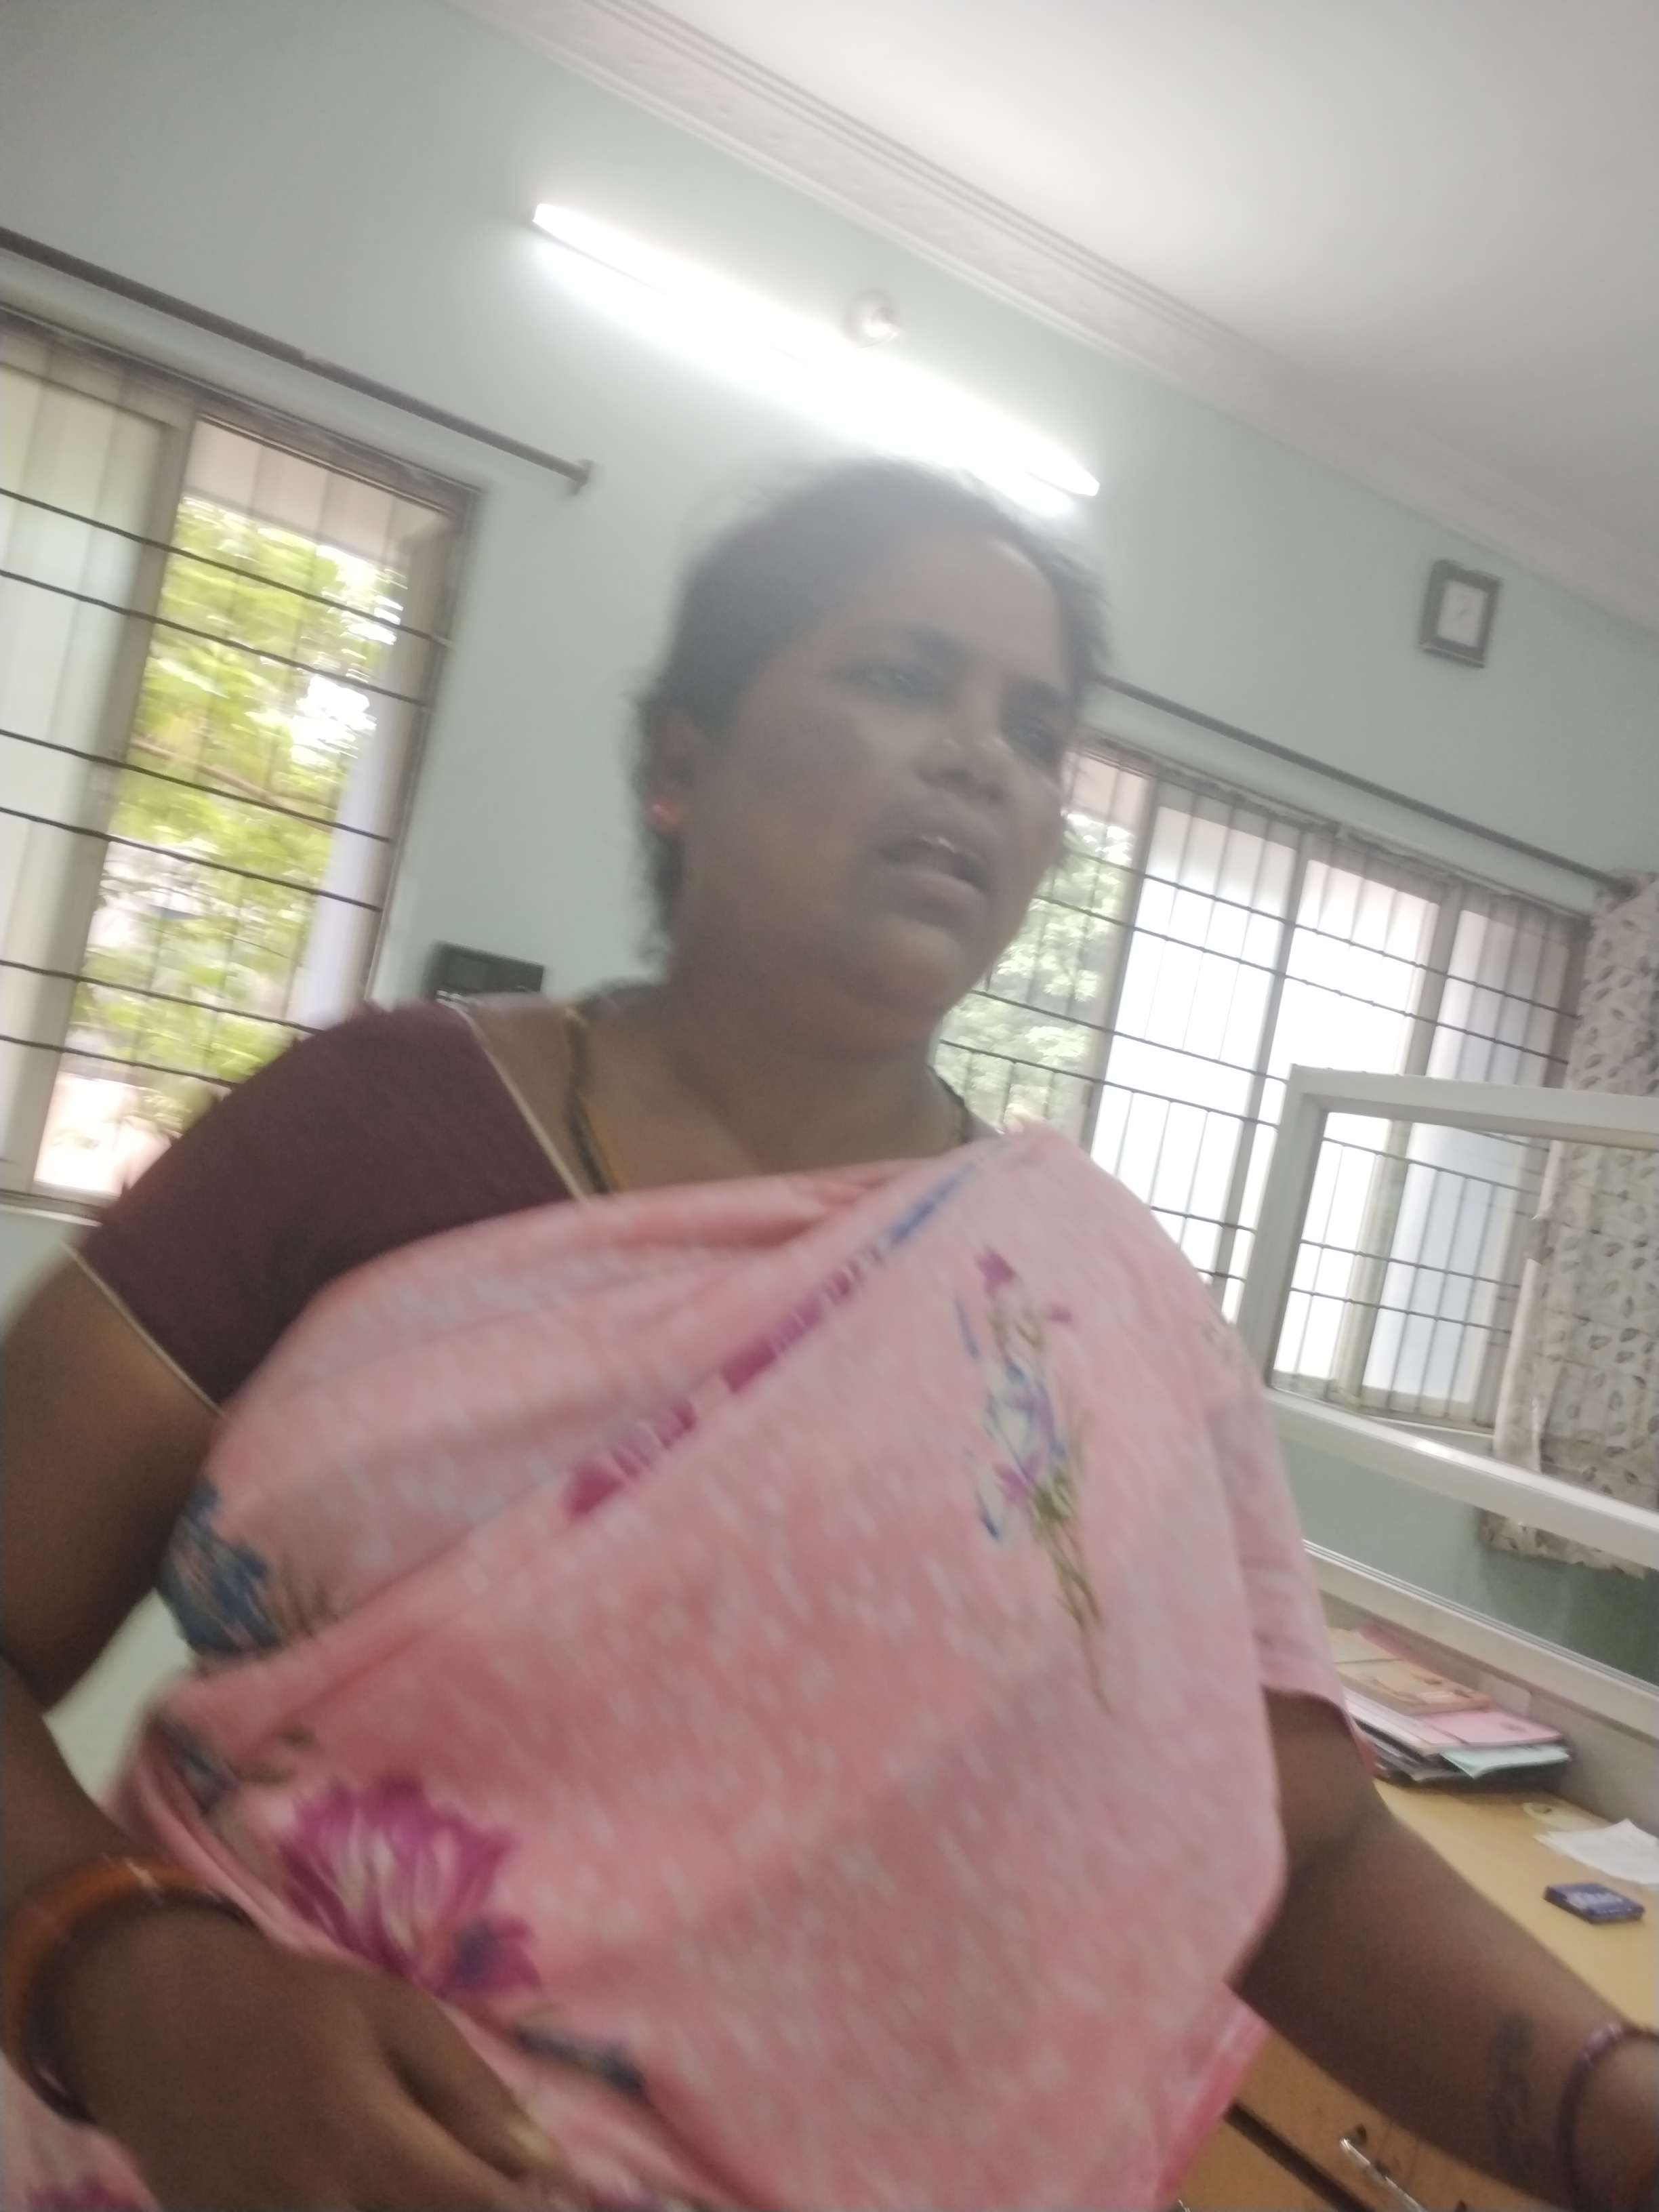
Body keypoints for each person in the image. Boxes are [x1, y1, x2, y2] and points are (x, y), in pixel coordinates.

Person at [1, 460, 1654, 2212]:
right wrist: (128, 1977)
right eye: (901, 675)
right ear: (682, 764)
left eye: (1036, 728)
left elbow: (1297, 1852)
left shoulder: (1089, 1305)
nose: (980, 757)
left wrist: (1624, 2114)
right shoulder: (371, 1132)